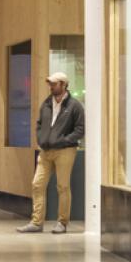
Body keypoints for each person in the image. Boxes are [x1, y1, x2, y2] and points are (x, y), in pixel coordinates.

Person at [17, 69, 84, 234]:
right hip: (45, 150)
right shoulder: (46, 103)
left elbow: (80, 129)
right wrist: (41, 138)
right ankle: (36, 222)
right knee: (37, 185)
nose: (51, 87)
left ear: (63, 85)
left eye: (54, 84)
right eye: (50, 84)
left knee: (62, 186)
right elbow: (39, 124)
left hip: (65, 151)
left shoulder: (75, 106)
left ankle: (62, 222)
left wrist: (64, 140)